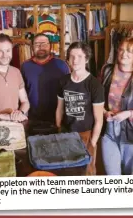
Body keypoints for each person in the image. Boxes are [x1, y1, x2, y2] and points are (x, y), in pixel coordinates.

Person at [100, 37, 133, 175]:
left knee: (130, 178)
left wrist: (128, 114)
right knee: (112, 177)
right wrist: (105, 112)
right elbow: (97, 100)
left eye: (129, 51)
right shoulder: (106, 71)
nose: (124, 54)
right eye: (122, 49)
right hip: (109, 132)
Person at [56, 42, 104, 175]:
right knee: (65, 170)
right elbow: (59, 108)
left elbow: (99, 119)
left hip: (86, 135)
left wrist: (92, 143)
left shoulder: (94, 85)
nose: (75, 60)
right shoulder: (63, 81)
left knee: (86, 173)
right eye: (71, 56)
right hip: (66, 133)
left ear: (87, 59)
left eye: (79, 56)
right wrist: (59, 128)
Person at [21, 33, 70, 123]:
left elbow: (68, 91)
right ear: (32, 47)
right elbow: (22, 92)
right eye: (37, 44)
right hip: (33, 118)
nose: (41, 47)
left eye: (44, 44)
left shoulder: (61, 65)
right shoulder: (25, 66)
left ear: (50, 46)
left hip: (58, 118)